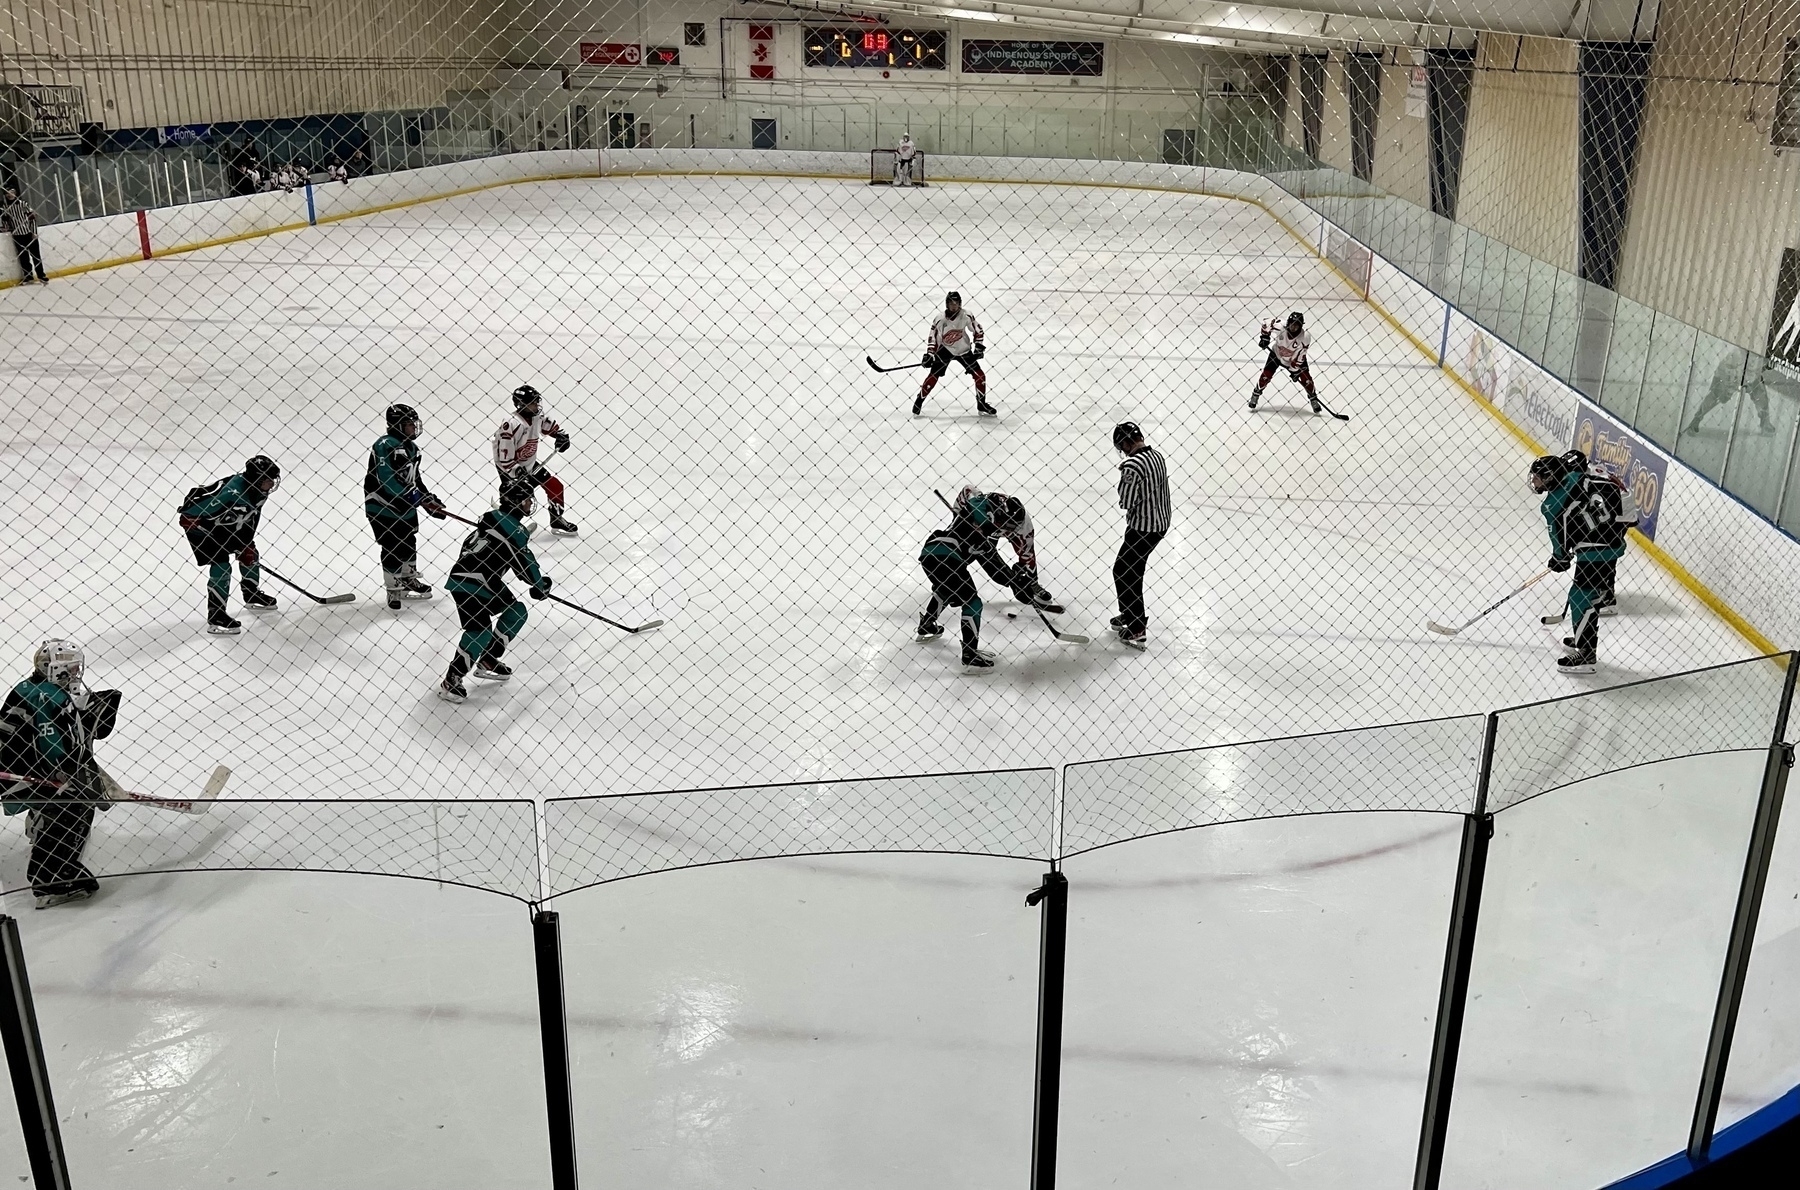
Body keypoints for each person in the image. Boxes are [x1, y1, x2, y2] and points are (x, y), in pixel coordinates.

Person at [0, 640, 112, 908]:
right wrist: (69, 778)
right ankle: (51, 882)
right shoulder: (53, 697)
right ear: (55, 669)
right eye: (70, 669)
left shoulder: (31, 687)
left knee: (60, 798)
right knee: (74, 804)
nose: (75, 674)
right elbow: (53, 748)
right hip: (19, 774)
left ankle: (39, 822)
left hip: (12, 767)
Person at [440, 480, 551, 703]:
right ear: (517, 501)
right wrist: (539, 585)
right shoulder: (512, 528)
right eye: (528, 499)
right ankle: (452, 679)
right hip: (472, 583)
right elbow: (525, 563)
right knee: (479, 631)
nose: (531, 503)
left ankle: (488, 660)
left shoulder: (492, 524)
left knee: (516, 611)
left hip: (483, 581)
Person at [1529, 452, 1632, 675]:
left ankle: (1586, 653)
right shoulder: (1577, 476)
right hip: (1611, 541)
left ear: (1551, 478)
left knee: (1580, 598)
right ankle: (1583, 635)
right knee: (1587, 596)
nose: (1534, 481)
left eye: (1539, 477)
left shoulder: (1551, 505)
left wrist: (1559, 559)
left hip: (1594, 551)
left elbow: (1559, 543)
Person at [178, 455, 281, 635]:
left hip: (224, 524)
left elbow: (251, 517)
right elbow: (189, 513)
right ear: (257, 479)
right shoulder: (230, 492)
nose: (271, 484)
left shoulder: (259, 491)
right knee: (222, 566)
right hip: (199, 527)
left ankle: (251, 594)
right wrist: (197, 523)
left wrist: (246, 543)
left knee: (250, 553)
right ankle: (216, 616)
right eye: (267, 479)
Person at [366, 403, 447, 609]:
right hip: (382, 506)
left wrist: (427, 498)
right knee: (392, 546)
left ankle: (408, 577)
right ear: (396, 425)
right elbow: (387, 480)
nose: (414, 428)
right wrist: (414, 496)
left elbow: (414, 479)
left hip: (404, 508)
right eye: (409, 424)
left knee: (408, 540)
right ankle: (393, 588)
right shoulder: (384, 445)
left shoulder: (412, 448)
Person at [949, 485, 1062, 612]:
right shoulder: (979, 506)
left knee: (1019, 557)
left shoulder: (1023, 526)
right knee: (966, 552)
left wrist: (1026, 581)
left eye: (1013, 526)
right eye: (1008, 525)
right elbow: (967, 489)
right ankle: (947, 581)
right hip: (983, 525)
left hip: (989, 525)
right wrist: (959, 517)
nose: (1011, 529)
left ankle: (1032, 584)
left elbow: (1027, 555)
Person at [916, 500, 999, 669]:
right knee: (973, 603)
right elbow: (976, 502)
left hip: (929, 554)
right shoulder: (979, 529)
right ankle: (969, 654)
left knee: (946, 588)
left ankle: (927, 624)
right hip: (948, 555)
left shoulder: (967, 527)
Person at [1111, 422, 1171, 650]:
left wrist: (1125, 477)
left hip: (1143, 527)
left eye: (1121, 446)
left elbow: (1126, 501)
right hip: (1160, 522)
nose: (1123, 450)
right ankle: (1129, 613)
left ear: (1126, 442)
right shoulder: (1157, 456)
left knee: (1126, 572)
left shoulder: (1132, 466)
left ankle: (1137, 628)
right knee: (1130, 569)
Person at [493, 384, 578, 535]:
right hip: (510, 470)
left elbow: (552, 428)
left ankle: (556, 519)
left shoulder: (537, 417)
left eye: (536, 401)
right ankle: (507, 528)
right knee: (520, 500)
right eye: (532, 402)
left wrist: (561, 437)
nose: (536, 404)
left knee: (555, 486)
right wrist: (516, 472)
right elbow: (504, 458)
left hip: (529, 465)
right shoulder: (511, 424)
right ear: (521, 404)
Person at [914, 291, 995, 418]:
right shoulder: (940, 319)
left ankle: (981, 404)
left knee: (980, 375)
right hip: (946, 349)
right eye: (951, 303)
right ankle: (920, 400)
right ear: (947, 304)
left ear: (960, 304)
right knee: (933, 375)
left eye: (956, 303)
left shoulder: (966, 315)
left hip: (963, 350)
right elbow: (933, 337)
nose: (954, 306)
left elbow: (978, 330)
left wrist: (978, 346)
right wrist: (930, 354)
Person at [1684, 353, 1784, 436]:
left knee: (1760, 395)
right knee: (1717, 395)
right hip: (1733, 369)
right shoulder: (1735, 358)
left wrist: (1765, 365)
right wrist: (1729, 382)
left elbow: (1763, 365)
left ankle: (1765, 424)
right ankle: (1696, 419)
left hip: (1751, 372)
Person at [1251, 311, 1322, 414]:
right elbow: (1266, 322)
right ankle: (1256, 394)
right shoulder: (1280, 326)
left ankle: (1313, 399)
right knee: (1266, 376)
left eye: (1296, 326)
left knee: (1307, 379)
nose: (1293, 328)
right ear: (1288, 323)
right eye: (1291, 324)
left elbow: (1301, 356)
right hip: (1276, 355)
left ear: (1301, 326)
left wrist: (1295, 370)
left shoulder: (1305, 337)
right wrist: (1265, 337)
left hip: (1294, 359)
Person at [2, 185, 49, 286]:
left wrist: (34, 232)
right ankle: (28, 277)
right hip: (17, 235)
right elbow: (5, 220)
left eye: (12, 192)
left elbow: (32, 218)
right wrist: (6, 228)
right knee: (23, 257)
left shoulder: (23, 204)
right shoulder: (6, 207)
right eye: (8, 192)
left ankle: (41, 275)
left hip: (29, 233)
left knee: (36, 256)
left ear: (15, 193)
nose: (10, 194)